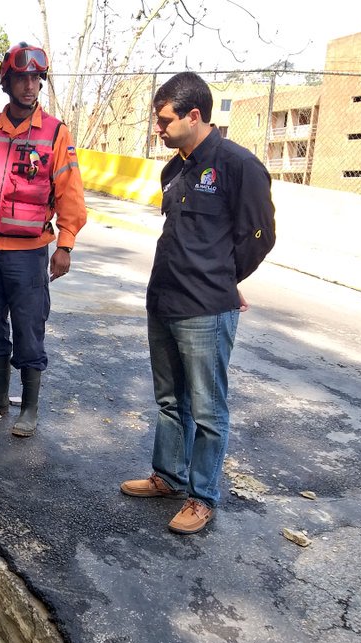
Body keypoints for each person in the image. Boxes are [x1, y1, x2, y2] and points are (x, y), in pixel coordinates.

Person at [120, 71, 276, 535]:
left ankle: (202, 497)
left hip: (205, 310)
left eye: (164, 120)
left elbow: (259, 236)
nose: (158, 129)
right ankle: (168, 477)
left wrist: (224, 281)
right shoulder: (175, 168)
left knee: (208, 411)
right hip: (164, 300)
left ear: (194, 115)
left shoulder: (237, 165)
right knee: (170, 401)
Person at [0, 43, 87, 438]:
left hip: (27, 256)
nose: (30, 86)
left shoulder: (56, 133)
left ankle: (29, 407)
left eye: (36, 79)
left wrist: (66, 243)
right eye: (22, 78)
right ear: (6, 82)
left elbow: (71, 192)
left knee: (28, 328)